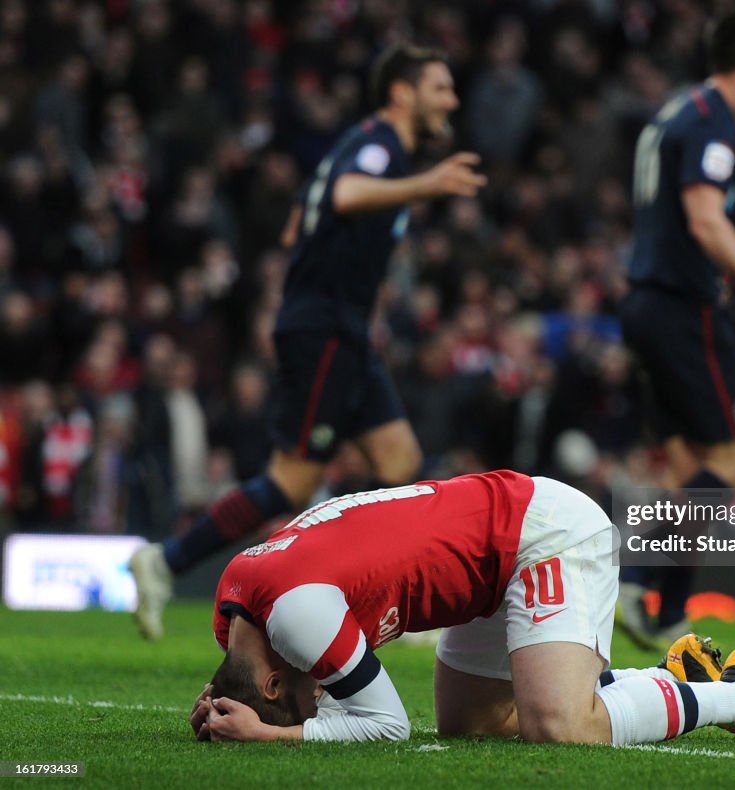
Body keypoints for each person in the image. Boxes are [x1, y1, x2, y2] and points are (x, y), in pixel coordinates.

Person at [129, 43, 487, 639]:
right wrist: (429, 184)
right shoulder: (381, 147)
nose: (450, 99)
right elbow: (345, 195)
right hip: (322, 330)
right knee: (290, 482)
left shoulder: (367, 146)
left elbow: (305, 216)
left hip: (342, 330)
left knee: (401, 466)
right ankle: (165, 561)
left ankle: (403, 605)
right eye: (440, 88)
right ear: (403, 93)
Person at [188, 470, 735, 746]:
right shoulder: (238, 608)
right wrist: (227, 698)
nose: (318, 695)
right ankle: (677, 680)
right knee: (477, 725)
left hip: (539, 532)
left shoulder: (293, 616)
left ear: (274, 678)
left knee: (560, 726)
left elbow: (386, 725)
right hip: (487, 559)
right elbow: (253, 671)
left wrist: (271, 730)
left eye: (299, 694)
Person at [617, 9, 735, 647]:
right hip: (683, 307)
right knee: (734, 458)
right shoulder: (711, 120)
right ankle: (632, 575)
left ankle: (667, 612)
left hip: (646, 301)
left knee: (686, 467)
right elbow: (704, 220)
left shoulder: (675, 111)